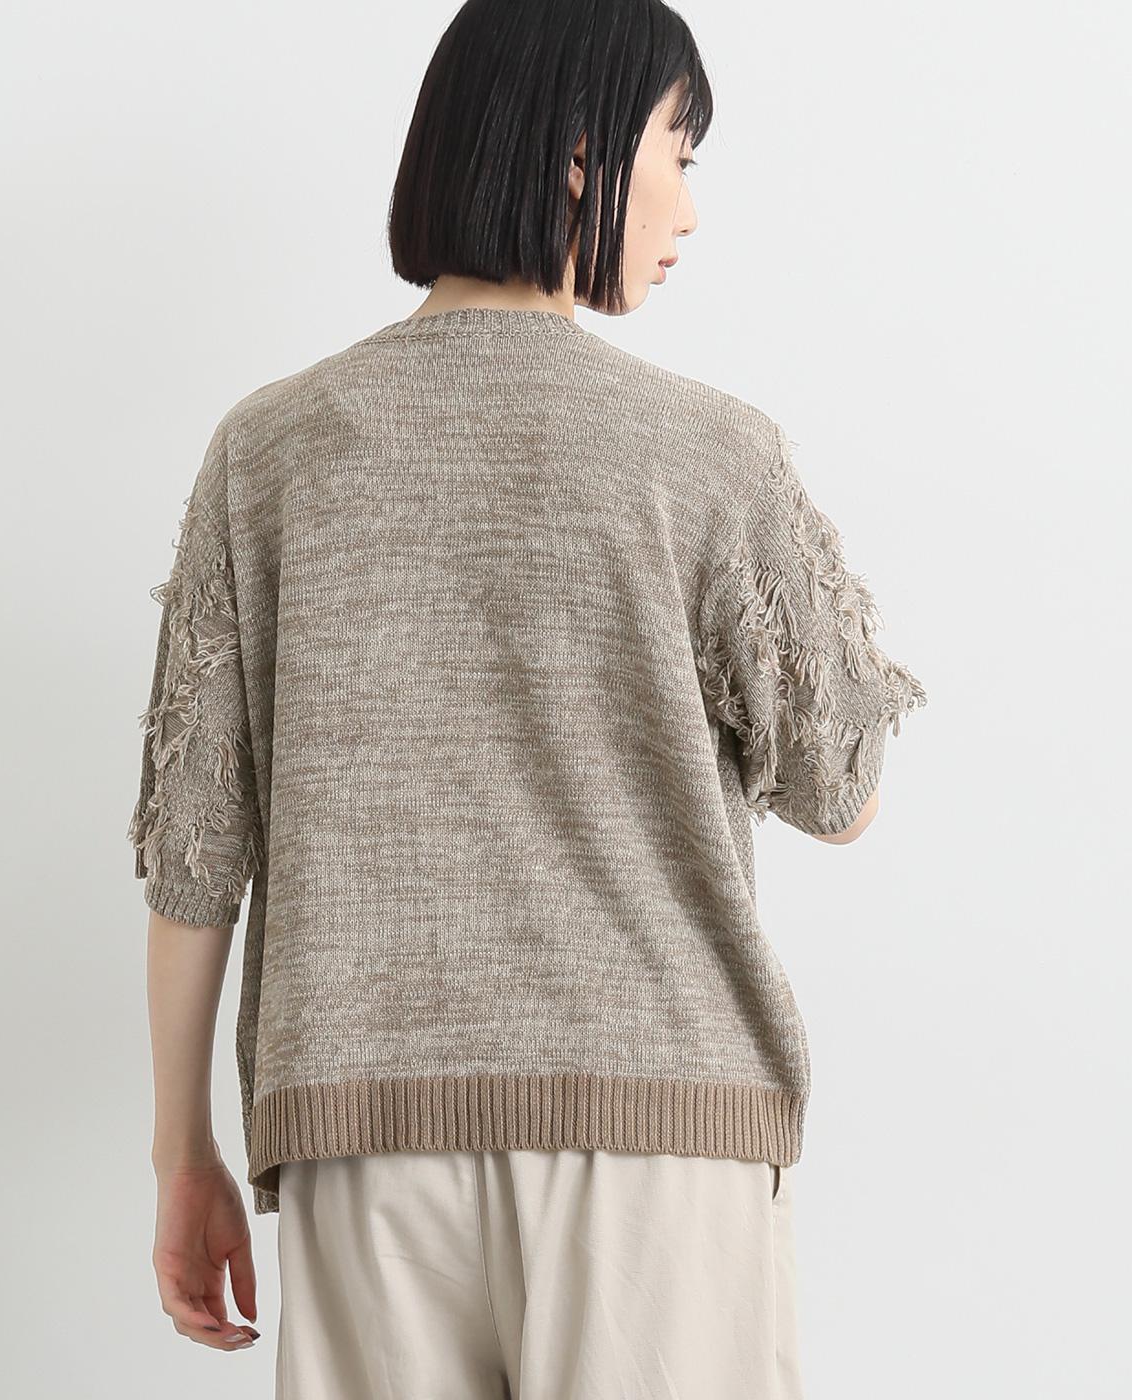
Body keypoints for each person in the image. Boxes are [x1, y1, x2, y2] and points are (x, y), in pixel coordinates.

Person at [130, 1, 927, 1396]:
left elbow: (194, 853)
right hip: (659, 1128)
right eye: (679, 151)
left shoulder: (267, 453)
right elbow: (843, 791)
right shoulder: (707, 452)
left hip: (362, 1131)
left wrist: (181, 1152)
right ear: (579, 151)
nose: (690, 206)